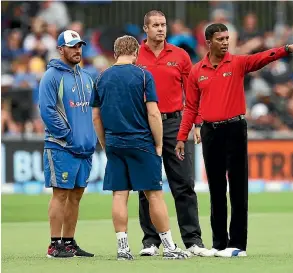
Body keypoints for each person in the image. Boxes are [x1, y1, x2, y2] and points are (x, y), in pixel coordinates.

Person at [175, 23, 293, 258]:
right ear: (209, 42)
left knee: (237, 188)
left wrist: (285, 49)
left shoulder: (236, 63)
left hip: (235, 129)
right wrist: (181, 137)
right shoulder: (197, 71)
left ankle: (237, 245)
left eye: (227, 38)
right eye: (221, 39)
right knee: (216, 189)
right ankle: (218, 244)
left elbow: (261, 58)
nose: (226, 42)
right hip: (210, 132)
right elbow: (190, 107)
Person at [90, 35, 189, 260]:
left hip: (115, 142)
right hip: (141, 142)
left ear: (115, 53)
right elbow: (153, 113)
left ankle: (123, 248)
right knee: (154, 195)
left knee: (119, 195)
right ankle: (169, 246)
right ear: (136, 52)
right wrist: (160, 143)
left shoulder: (101, 77)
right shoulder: (144, 75)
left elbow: (96, 117)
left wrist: (106, 143)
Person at [136, 10, 211, 257]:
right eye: (155, 25)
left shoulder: (180, 56)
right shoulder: (135, 55)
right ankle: (150, 241)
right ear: (145, 28)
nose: (161, 28)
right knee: (147, 186)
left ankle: (193, 240)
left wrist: (197, 123)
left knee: (184, 184)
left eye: (163, 24)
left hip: (174, 126)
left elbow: (194, 92)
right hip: (144, 126)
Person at [39, 30, 97, 258]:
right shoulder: (51, 76)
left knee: (76, 195)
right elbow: (47, 110)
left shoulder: (86, 77)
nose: (77, 50)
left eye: (79, 45)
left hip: (84, 148)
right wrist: (67, 136)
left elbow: (92, 112)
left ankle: (69, 241)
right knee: (61, 194)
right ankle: (54, 245)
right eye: (72, 46)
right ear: (60, 49)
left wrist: (89, 138)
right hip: (61, 146)